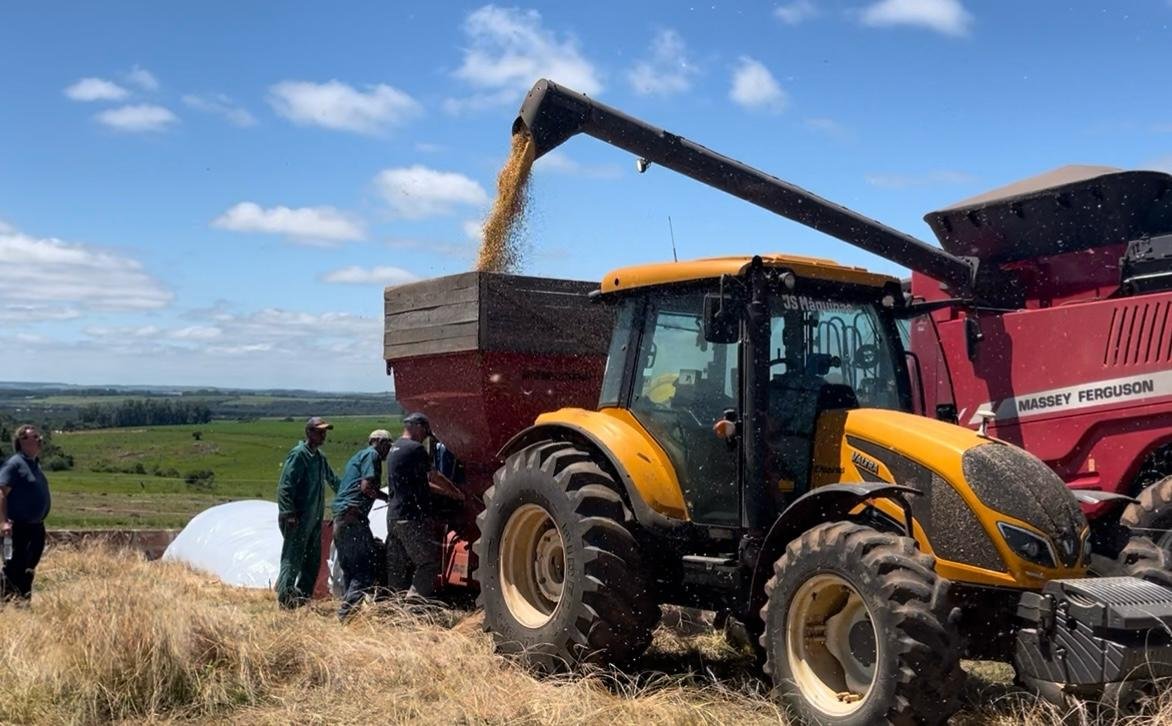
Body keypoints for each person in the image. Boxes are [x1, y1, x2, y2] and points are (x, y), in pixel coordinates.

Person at [385, 412, 463, 600]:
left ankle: (394, 610)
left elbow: (421, 483)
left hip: (393, 516)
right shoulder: (415, 449)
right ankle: (413, 608)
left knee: (399, 567)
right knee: (428, 563)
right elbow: (434, 476)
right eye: (425, 432)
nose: (425, 436)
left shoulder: (395, 448)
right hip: (411, 516)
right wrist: (456, 492)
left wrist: (446, 492)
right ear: (417, 427)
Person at [275, 416, 340, 609]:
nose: (323, 435)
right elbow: (285, 487)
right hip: (297, 518)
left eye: (325, 432)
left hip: (314, 519)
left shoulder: (319, 457)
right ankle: (285, 599)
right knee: (292, 559)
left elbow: (333, 480)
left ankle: (301, 601)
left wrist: (348, 495)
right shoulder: (299, 455)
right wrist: (289, 513)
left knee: (312, 561)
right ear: (309, 432)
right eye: (319, 431)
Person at [331, 429, 393, 619]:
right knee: (366, 570)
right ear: (379, 442)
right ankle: (345, 615)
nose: (389, 449)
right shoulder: (371, 455)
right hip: (353, 520)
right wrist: (388, 497)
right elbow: (367, 487)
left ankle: (349, 617)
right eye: (388, 444)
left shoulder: (358, 456)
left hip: (341, 519)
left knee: (350, 570)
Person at [0, 425, 52, 604]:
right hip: (17, 529)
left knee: (28, 569)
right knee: (14, 568)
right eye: (35, 437)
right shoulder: (14, 464)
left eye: (39, 436)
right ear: (22, 441)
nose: (40, 440)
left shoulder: (34, 464)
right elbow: (1, 493)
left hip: (35, 527)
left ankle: (23, 605)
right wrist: (3, 522)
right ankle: (5, 606)